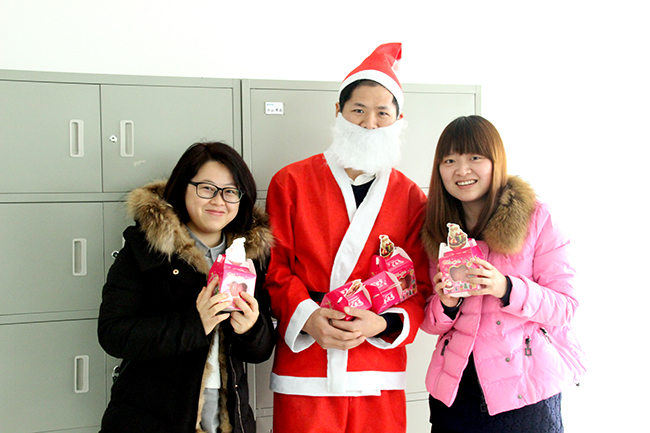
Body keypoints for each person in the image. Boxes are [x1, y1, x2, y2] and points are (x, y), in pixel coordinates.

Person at [264, 43, 432, 433]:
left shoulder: (411, 197)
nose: (370, 124)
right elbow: (274, 269)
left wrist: (381, 324)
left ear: (398, 120)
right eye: (358, 110)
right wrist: (309, 318)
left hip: (377, 370)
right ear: (338, 111)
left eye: (382, 113)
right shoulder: (290, 182)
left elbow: (420, 286)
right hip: (305, 366)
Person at [420, 115, 586, 433]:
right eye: (450, 160)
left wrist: (505, 287)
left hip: (524, 393)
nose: (462, 170)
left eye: (475, 158)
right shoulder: (437, 229)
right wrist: (447, 303)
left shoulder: (537, 218)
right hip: (456, 395)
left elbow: (565, 307)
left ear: (496, 161)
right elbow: (429, 323)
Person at [97, 142, 275, 433]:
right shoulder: (146, 249)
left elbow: (260, 351)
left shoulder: (248, 256)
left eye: (230, 192)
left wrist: (251, 329)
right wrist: (195, 323)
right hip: (153, 415)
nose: (219, 201)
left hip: (227, 415)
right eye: (207, 188)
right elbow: (113, 334)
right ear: (183, 188)